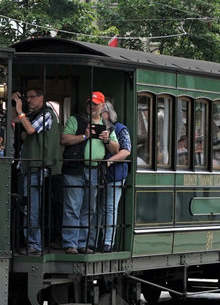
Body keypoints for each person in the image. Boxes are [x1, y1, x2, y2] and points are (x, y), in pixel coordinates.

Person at [60, 92, 109, 253]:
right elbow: (64, 139)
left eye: (95, 104)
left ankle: (83, 243)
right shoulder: (76, 120)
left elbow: (117, 148)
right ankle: (70, 244)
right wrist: (84, 136)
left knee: (89, 208)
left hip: (94, 169)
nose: (92, 106)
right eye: (90, 103)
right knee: (72, 207)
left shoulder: (107, 125)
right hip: (75, 169)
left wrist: (106, 139)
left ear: (102, 106)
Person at [12, 86, 56, 255]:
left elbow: (30, 129)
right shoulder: (32, 115)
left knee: (32, 207)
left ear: (41, 98)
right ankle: (31, 242)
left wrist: (19, 109)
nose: (29, 100)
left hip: (37, 168)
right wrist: (14, 106)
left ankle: (34, 244)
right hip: (27, 168)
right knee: (27, 206)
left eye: (31, 97)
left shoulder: (46, 114)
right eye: (26, 97)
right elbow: (15, 121)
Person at [99, 100, 131, 252]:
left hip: (115, 174)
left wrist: (110, 161)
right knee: (96, 208)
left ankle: (108, 242)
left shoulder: (120, 129)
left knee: (110, 208)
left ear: (108, 113)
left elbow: (126, 151)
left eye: (102, 112)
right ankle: (94, 240)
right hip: (97, 172)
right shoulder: (95, 128)